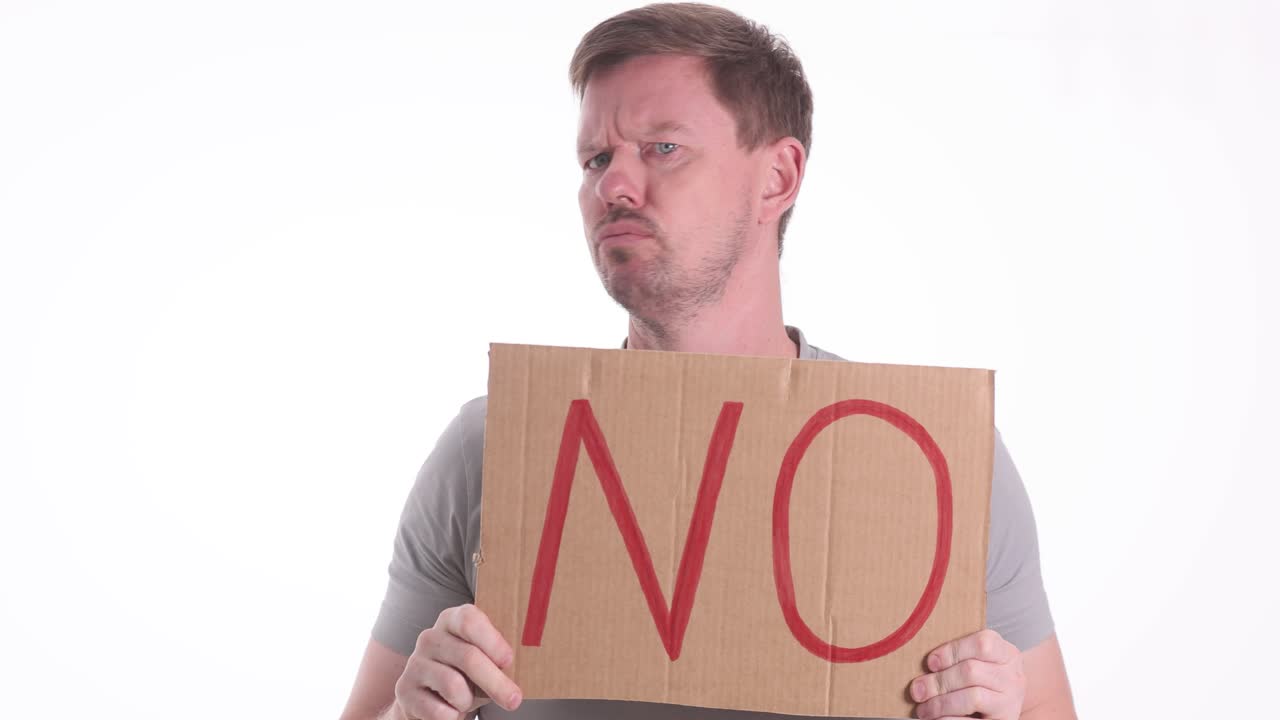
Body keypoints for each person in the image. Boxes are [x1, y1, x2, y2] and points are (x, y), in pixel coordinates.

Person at [339, 3, 1077, 719]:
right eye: (596, 158)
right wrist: (410, 714)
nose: (612, 185)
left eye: (663, 148)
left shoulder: (940, 461)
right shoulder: (491, 450)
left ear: (777, 177)